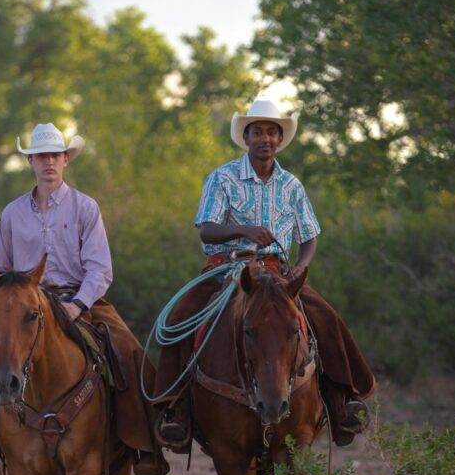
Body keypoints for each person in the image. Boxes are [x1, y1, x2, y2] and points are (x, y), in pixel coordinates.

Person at [0, 122, 169, 475]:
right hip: (23, 306)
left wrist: (77, 305)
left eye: (55, 155)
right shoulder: (11, 214)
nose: (49, 162)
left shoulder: (86, 207)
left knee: (126, 349)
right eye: (41, 156)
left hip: (79, 300)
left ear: (66, 159)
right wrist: (5, 303)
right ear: (31, 163)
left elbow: (100, 268)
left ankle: (145, 446)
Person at [153, 98, 375, 450]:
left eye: (272, 133)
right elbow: (207, 230)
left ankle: (341, 400)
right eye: (257, 132)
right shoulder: (222, 177)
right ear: (246, 137)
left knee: (325, 318)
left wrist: (302, 264)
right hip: (227, 269)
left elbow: (310, 235)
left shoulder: (291, 185)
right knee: (182, 316)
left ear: (279, 139)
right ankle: (174, 409)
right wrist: (245, 230)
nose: (265, 139)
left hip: (277, 272)